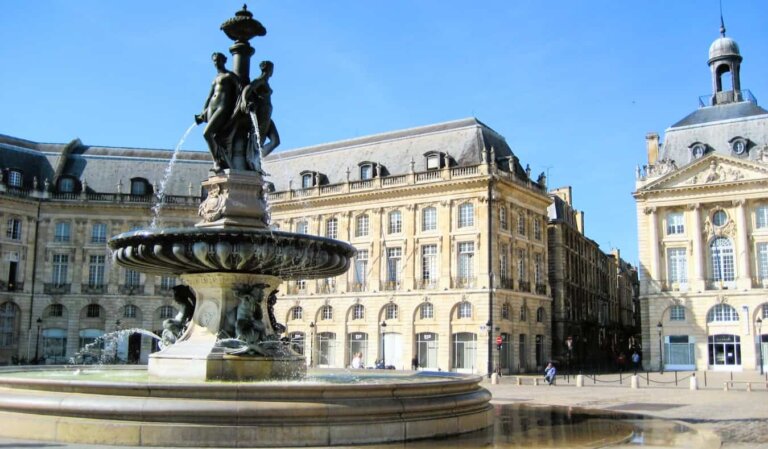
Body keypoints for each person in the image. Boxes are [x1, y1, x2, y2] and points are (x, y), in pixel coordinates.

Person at [195, 52, 240, 171]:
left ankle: (217, 162)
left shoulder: (230, 76)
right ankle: (221, 160)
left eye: (219, 60)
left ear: (224, 61)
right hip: (212, 107)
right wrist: (203, 112)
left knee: (206, 133)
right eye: (215, 61)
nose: (216, 63)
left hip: (223, 107)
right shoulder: (215, 78)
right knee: (214, 136)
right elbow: (209, 96)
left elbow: (240, 92)